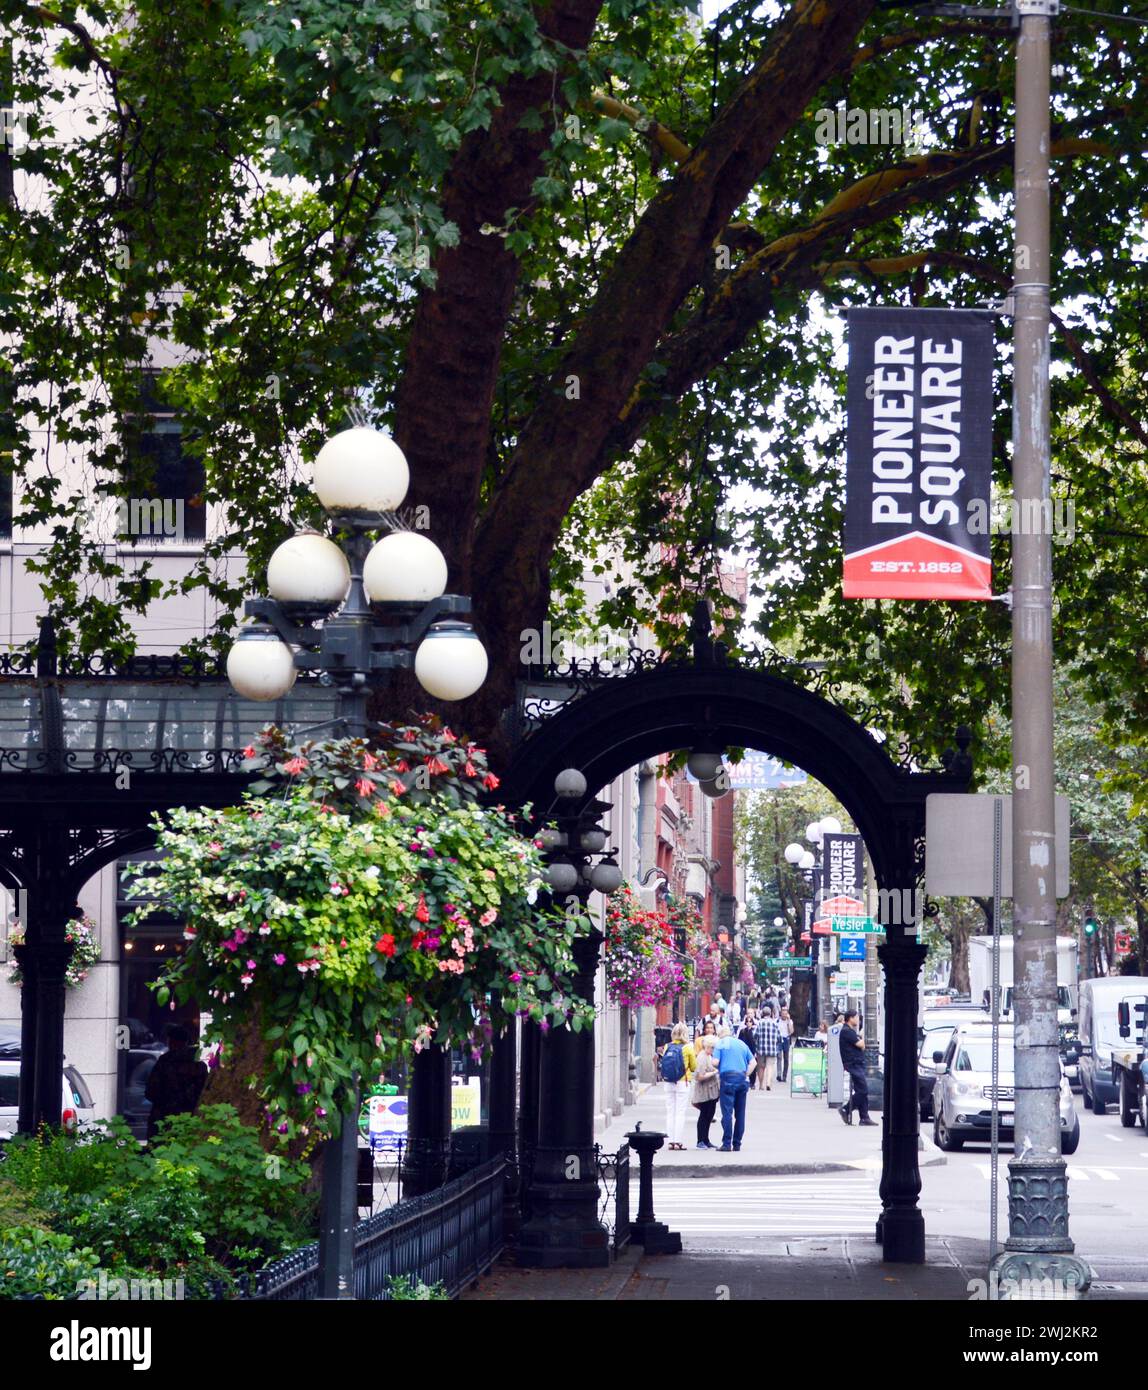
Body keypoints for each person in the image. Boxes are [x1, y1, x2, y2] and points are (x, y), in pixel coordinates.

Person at [144, 1023, 208, 1142]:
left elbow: (151, 1090)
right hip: (190, 1118)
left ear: (172, 1041)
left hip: (164, 1117)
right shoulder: (198, 1065)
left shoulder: (165, 1062)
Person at [714, 1024, 756, 1151]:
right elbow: (753, 1062)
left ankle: (727, 1143)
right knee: (740, 1113)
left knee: (727, 1113)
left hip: (727, 1079)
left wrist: (718, 1068)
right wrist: (745, 1074)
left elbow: (715, 1062)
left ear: (720, 1035)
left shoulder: (720, 1044)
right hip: (742, 1080)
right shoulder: (741, 1044)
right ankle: (737, 1143)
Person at [661, 1022, 696, 1150]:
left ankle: (670, 1141)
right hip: (683, 1082)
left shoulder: (667, 1046)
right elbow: (693, 1067)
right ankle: (678, 1141)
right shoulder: (688, 1047)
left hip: (669, 1082)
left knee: (670, 1112)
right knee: (680, 1112)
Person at [838, 1009, 876, 1126]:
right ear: (851, 1018)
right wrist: (862, 1039)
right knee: (863, 1090)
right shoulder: (847, 1031)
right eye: (857, 1017)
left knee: (861, 1090)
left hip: (856, 1064)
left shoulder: (850, 1031)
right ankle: (846, 1108)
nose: (858, 1020)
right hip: (853, 1064)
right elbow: (861, 1045)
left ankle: (864, 1117)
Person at [691, 1035, 721, 1149]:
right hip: (704, 1090)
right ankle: (700, 1140)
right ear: (708, 1046)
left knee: (709, 1115)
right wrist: (714, 1073)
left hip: (711, 1090)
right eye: (713, 1048)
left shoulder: (709, 1056)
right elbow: (699, 1076)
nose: (714, 1050)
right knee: (704, 1115)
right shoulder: (702, 1057)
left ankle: (706, 1139)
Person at [752, 1007, 781, 1090]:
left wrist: (757, 1042)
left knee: (760, 1067)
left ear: (762, 1014)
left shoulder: (759, 1023)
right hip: (772, 1049)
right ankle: (768, 1083)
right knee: (770, 1066)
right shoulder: (775, 1023)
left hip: (761, 1049)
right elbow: (779, 1037)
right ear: (770, 1013)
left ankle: (761, 1085)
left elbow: (755, 1035)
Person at [777, 1007, 795, 1082]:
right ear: (781, 1014)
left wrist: (788, 1022)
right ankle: (779, 1074)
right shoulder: (777, 1021)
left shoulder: (790, 1021)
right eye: (783, 1013)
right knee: (779, 1057)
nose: (784, 1015)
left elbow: (791, 1031)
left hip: (786, 1039)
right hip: (779, 1039)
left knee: (786, 1058)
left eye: (785, 1014)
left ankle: (784, 1075)